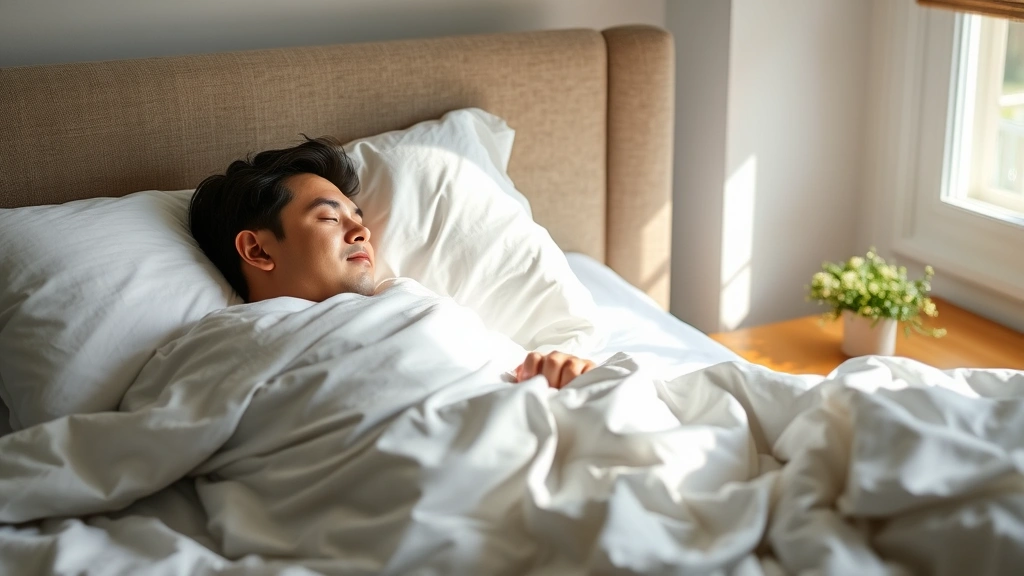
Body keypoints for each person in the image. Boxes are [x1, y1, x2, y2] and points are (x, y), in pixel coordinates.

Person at [188, 136, 594, 389]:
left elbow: (522, 375)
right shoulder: (225, 346)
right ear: (258, 250)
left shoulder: (412, 300)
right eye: (330, 217)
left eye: (358, 217)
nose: (361, 232)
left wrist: (562, 372)